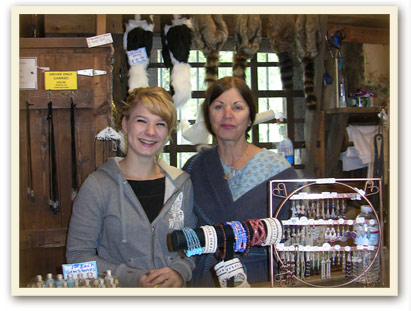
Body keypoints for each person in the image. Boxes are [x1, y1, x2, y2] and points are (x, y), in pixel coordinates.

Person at [66, 87, 196, 288]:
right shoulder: (98, 186)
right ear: (125, 125)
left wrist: (180, 271)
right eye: (141, 121)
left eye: (160, 124)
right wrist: (130, 277)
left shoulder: (181, 184)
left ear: (168, 134)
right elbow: (77, 257)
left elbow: (192, 246)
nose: (150, 132)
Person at [183, 76, 298, 287]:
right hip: (207, 281)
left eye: (237, 107)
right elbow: (184, 230)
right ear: (209, 116)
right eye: (218, 107)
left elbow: (295, 233)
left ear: (250, 117)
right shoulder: (195, 168)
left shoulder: (277, 170)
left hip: (262, 281)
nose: (227, 115)